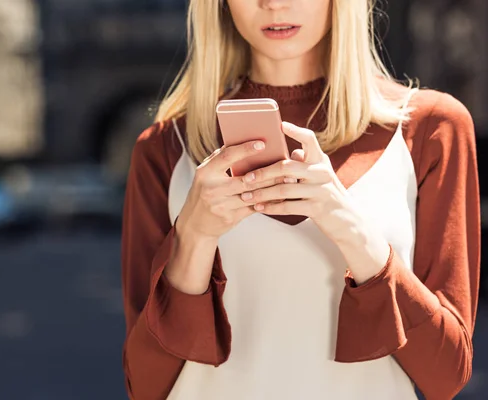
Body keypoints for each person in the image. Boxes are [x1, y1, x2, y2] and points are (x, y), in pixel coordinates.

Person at [121, 0, 480, 399]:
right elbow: (145, 386)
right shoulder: (164, 149)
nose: (275, 3)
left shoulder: (431, 129)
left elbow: (447, 374)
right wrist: (193, 237)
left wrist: (352, 232)